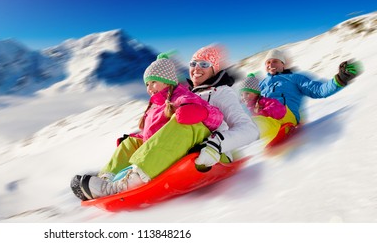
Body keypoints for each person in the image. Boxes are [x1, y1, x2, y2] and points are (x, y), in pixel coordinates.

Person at [71, 53, 224, 200]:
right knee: (130, 142)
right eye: (147, 84)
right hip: (160, 149)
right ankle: (107, 178)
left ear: (168, 81)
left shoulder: (183, 97)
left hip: (182, 145)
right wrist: (135, 139)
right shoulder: (154, 107)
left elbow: (216, 116)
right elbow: (152, 135)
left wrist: (195, 112)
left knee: (179, 123)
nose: (150, 88)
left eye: (154, 82)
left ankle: (126, 184)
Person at [187, 44, 259, 170]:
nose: (196, 68)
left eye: (204, 64)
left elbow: (249, 130)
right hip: (185, 146)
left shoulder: (221, 92)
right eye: (193, 63)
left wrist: (216, 144)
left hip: (212, 154)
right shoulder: (188, 95)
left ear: (214, 69)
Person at [259, 48, 362, 125]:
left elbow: (318, 90)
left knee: (261, 123)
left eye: (275, 61)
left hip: (285, 116)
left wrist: (340, 79)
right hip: (264, 118)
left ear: (283, 65)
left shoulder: (294, 78)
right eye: (268, 62)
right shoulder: (262, 84)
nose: (271, 64)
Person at [239, 73, 291, 144]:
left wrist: (264, 112)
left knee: (254, 122)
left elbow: (280, 109)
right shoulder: (247, 108)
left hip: (277, 127)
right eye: (242, 95)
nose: (244, 97)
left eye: (247, 93)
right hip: (266, 133)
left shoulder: (263, 101)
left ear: (256, 93)